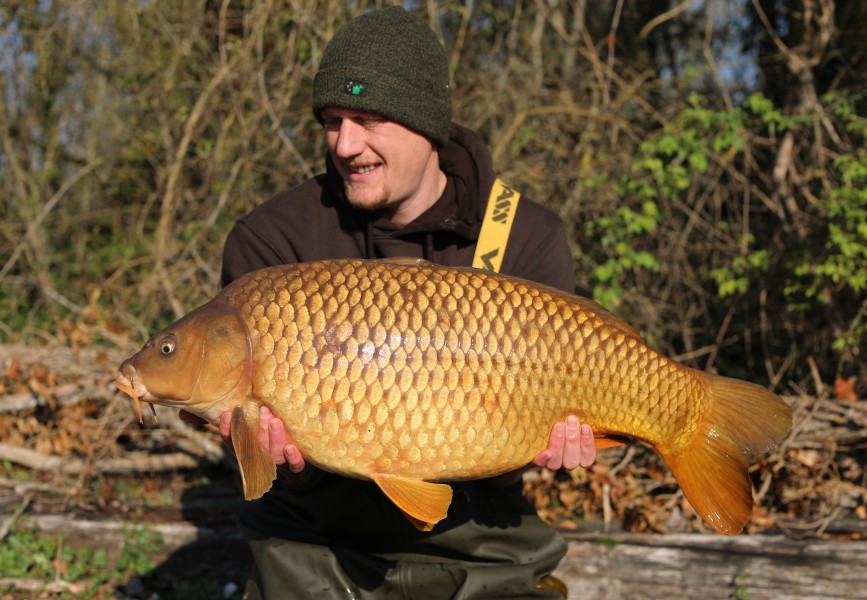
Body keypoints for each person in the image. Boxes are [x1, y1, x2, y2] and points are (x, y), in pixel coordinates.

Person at [185, 7, 597, 598]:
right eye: (332, 121)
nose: (345, 145)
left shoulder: (523, 234)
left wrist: (545, 444)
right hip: (314, 540)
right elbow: (259, 453)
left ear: (426, 125)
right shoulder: (273, 241)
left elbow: (512, 461)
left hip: (479, 538)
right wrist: (276, 459)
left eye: (368, 119)